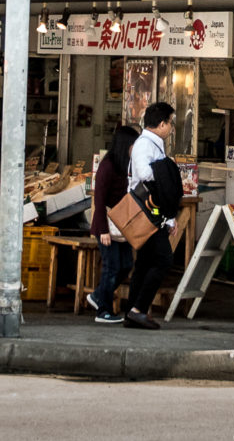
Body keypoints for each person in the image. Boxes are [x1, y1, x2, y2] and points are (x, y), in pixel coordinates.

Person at [123, 101, 183, 330]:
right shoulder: (144, 146)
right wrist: (165, 169)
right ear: (161, 124)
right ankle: (138, 309)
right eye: (170, 123)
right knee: (163, 260)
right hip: (148, 212)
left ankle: (132, 311)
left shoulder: (151, 144)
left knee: (145, 263)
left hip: (151, 212)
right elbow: (145, 174)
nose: (170, 128)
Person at [90, 124, 139, 324]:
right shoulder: (107, 166)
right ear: (125, 144)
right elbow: (99, 200)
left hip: (122, 225)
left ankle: (97, 296)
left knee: (126, 265)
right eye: (134, 144)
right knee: (111, 266)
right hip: (106, 227)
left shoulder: (128, 164)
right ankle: (103, 310)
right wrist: (103, 231)